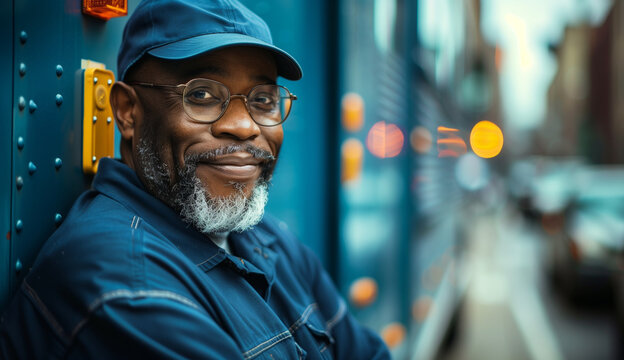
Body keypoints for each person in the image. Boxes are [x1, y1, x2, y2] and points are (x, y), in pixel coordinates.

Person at [0, 0, 391, 358]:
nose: (243, 127)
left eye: (263, 100)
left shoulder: (269, 239)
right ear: (127, 112)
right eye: (202, 95)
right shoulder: (124, 287)